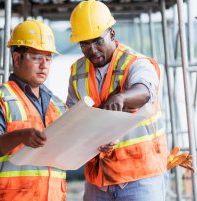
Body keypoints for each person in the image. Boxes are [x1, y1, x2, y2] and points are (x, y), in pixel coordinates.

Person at [66, 0, 168, 200]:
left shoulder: (136, 63)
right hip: (98, 180)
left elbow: (145, 91)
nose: (92, 49)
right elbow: (73, 118)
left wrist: (122, 97)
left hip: (140, 177)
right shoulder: (77, 72)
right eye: (84, 43)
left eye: (97, 41)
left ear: (111, 34)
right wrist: (91, 138)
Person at [0, 19, 67, 201]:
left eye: (48, 59)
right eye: (36, 58)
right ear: (17, 58)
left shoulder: (57, 105)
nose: (44, 65)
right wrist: (21, 136)